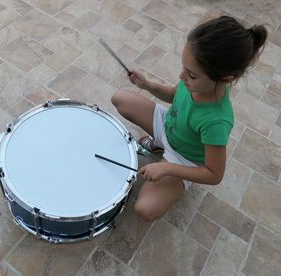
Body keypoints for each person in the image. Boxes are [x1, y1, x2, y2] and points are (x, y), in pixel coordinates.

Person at [111, 16, 267, 222]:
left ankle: (172, 177)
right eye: (184, 67)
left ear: (225, 79)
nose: (182, 76)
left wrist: (166, 168)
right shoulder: (192, 80)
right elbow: (174, 95)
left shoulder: (216, 121)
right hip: (169, 125)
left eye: (191, 75)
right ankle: (159, 144)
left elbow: (214, 174)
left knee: (145, 209)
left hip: (184, 158)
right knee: (120, 98)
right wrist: (148, 85)